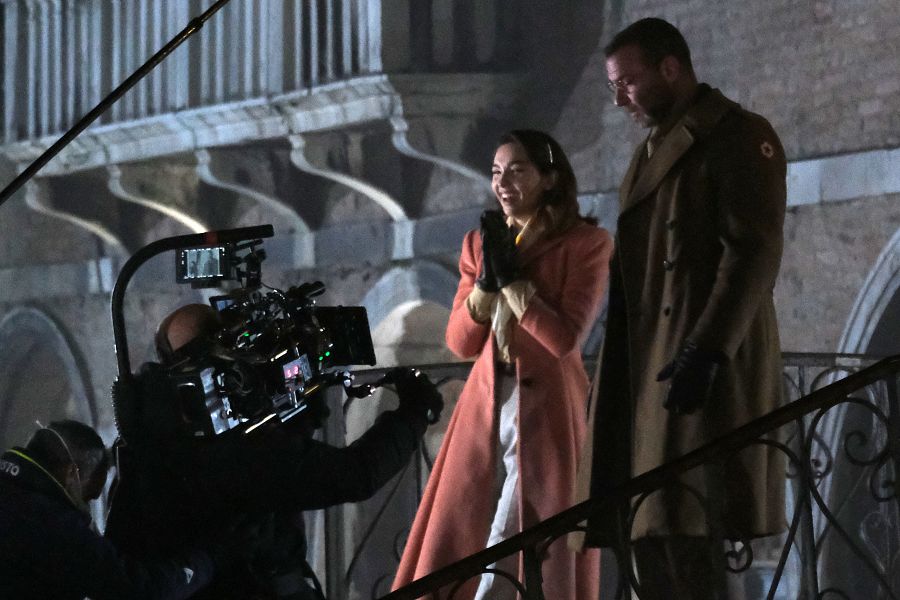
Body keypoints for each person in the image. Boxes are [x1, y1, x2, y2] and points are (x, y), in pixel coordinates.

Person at [581, 17, 787, 600]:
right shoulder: (651, 148)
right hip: (650, 364)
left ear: (671, 67)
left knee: (687, 529)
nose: (621, 98)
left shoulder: (737, 135)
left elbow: (753, 252)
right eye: (614, 87)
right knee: (651, 531)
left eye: (629, 82)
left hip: (697, 363)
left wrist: (707, 348)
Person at [393, 130, 612, 600]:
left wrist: (515, 284)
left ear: (549, 178)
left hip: (549, 404)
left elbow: (563, 339)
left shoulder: (586, 243)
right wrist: (484, 288)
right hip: (485, 402)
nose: (503, 182)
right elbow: (460, 342)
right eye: (496, 172)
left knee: (520, 532)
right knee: (460, 521)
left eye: (517, 170)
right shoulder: (479, 243)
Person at [106, 303, 444, 600]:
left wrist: (292, 421)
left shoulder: (147, 438)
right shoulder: (231, 452)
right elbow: (356, 475)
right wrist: (415, 411)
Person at [0, 419, 217, 599]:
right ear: (70, 473)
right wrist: (207, 562)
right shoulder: (50, 524)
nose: (85, 506)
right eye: (86, 496)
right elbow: (138, 592)